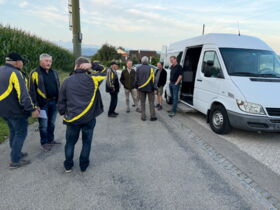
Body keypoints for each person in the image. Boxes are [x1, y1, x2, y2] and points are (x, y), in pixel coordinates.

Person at [58, 57, 107, 173]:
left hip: (72, 119)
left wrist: (62, 112)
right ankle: (83, 165)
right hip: (89, 118)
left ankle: (68, 165)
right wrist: (94, 65)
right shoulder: (93, 79)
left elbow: (61, 100)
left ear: (76, 66)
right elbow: (105, 70)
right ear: (86, 67)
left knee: (70, 143)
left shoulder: (66, 81)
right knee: (87, 142)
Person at [0, 52, 40, 169]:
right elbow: (24, 96)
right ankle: (15, 160)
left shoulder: (1, 69)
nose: (23, 64)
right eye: (22, 62)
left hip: (3, 110)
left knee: (13, 131)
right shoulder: (15, 73)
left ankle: (16, 153)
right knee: (21, 133)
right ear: (17, 62)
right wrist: (32, 109)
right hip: (15, 111)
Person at [29, 53, 60, 152]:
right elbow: (31, 91)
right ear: (40, 61)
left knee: (52, 123)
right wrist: (35, 105)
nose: (49, 63)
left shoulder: (54, 72)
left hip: (54, 102)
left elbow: (58, 86)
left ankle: (51, 140)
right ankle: (44, 143)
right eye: (46, 61)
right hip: (42, 104)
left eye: (50, 61)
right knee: (44, 125)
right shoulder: (35, 73)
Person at [135, 56, 157, 121]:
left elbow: (136, 79)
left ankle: (143, 117)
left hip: (141, 89)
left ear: (142, 61)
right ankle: (152, 116)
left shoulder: (138, 68)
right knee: (151, 102)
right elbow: (154, 80)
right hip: (150, 88)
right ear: (148, 61)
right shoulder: (151, 68)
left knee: (142, 103)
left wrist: (137, 87)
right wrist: (155, 88)